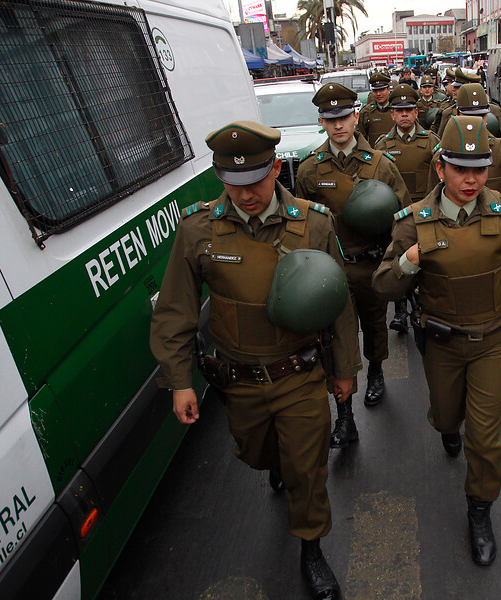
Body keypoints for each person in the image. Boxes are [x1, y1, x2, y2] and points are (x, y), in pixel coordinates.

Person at [150, 121, 361, 600]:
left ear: (276, 169)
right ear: (220, 177)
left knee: (307, 467)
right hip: (239, 380)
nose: (246, 194)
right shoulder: (198, 229)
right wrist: (180, 380)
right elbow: (175, 311)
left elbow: (340, 306)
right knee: (257, 453)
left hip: (300, 372)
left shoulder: (314, 223)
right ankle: (275, 462)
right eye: (233, 183)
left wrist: (345, 370)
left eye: (256, 181)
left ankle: (312, 548)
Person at [372, 115, 501, 567]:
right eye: (459, 168)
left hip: (494, 342)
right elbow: (383, 287)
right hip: (443, 344)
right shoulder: (415, 222)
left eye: (480, 168)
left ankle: (479, 509)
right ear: (440, 169)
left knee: (485, 436)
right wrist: (410, 260)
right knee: (447, 416)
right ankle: (447, 426)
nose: (471, 179)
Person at [295, 83, 412, 447]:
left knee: (374, 323)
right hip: (329, 270)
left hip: (369, 264)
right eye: (331, 120)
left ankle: (376, 369)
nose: (339, 125)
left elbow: (403, 217)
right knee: (331, 338)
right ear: (322, 122)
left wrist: (394, 257)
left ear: (356, 116)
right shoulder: (310, 170)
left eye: (344, 117)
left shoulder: (380, 165)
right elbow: (302, 223)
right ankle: (344, 415)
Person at [374, 83, 441, 333]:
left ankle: (423, 308)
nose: (404, 114)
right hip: (396, 218)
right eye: (399, 110)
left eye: (409, 109)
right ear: (392, 114)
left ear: (416, 113)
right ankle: (401, 311)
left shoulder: (433, 141)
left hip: (425, 214)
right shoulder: (382, 146)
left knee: (426, 263)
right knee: (399, 262)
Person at [428, 83, 501, 233]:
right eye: (469, 115)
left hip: (495, 231)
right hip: (453, 232)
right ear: (458, 114)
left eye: (480, 116)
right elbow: (431, 200)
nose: (475, 121)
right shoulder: (443, 156)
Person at [436, 68, 501, 140]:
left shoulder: (493, 110)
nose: (453, 89)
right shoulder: (448, 112)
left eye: (458, 87)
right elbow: (441, 140)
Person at [357, 70, 394, 145]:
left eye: (382, 90)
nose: (378, 94)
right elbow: (360, 139)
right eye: (375, 91)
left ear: (388, 90)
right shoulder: (366, 112)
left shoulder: (397, 110)